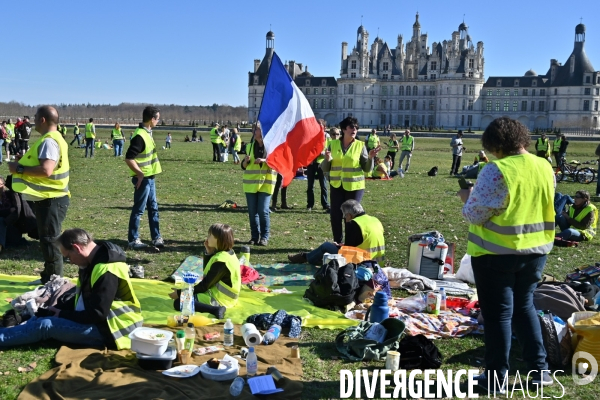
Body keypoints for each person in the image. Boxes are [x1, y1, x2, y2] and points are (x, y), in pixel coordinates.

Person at [458, 117, 555, 391]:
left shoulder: (496, 169)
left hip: (496, 254)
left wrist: (468, 198)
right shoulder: (544, 166)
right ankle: (540, 369)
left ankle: (495, 377)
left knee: (498, 314)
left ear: (495, 145)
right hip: (535, 251)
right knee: (524, 308)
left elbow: (475, 214)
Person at [0, 228, 143, 350]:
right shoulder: (92, 262)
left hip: (113, 332)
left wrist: (62, 314)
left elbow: (97, 313)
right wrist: (56, 310)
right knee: (42, 318)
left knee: (45, 326)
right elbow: (83, 298)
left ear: (77, 248)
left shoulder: (107, 269)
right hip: (102, 324)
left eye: (68, 257)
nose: (71, 262)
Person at [8, 106, 70, 284]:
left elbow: (46, 169)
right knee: (47, 239)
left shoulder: (48, 141)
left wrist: (18, 168)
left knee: (50, 240)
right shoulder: (54, 138)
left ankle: (54, 282)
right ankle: (48, 277)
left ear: (42, 119)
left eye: (35, 117)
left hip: (51, 199)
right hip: (50, 197)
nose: (33, 119)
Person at [320, 116, 378, 243]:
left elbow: (367, 169)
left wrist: (370, 158)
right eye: (351, 127)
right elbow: (325, 168)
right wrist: (327, 159)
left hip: (355, 187)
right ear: (344, 129)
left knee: (351, 216)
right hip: (336, 185)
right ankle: (337, 242)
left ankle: (350, 243)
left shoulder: (360, 145)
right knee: (335, 215)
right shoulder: (332, 144)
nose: (354, 129)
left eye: (356, 127)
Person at [168, 223, 240, 319]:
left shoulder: (221, 261)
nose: (207, 238)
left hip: (219, 299)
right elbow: (207, 274)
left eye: (210, 235)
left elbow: (204, 286)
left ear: (218, 239)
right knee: (187, 297)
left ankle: (215, 310)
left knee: (179, 303)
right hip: (218, 295)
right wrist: (209, 252)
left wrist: (180, 293)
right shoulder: (227, 253)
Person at [287, 200, 385, 264]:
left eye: (344, 216)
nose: (344, 219)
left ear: (349, 215)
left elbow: (349, 249)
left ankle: (305, 257)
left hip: (361, 262)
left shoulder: (354, 224)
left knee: (326, 246)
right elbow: (362, 241)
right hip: (377, 263)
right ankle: (308, 257)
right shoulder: (374, 219)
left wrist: (338, 246)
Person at [124, 106, 164, 249]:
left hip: (150, 178)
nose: (158, 121)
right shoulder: (140, 135)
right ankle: (133, 239)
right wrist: (139, 174)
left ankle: (156, 237)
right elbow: (129, 158)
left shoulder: (147, 132)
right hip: (144, 179)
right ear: (152, 119)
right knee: (139, 209)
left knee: (153, 208)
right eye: (157, 118)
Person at [241, 122, 276, 246]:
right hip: (251, 184)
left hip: (266, 183)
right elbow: (243, 166)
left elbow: (277, 163)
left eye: (257, 129)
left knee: (263, 210)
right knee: (252, 212)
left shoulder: (271, 146)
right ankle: (254, 237)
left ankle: (264, 237)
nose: (254, 131)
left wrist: (265, 160)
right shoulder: (249, 146)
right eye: (253, 129)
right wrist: (245, 161)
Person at [306, 123, 331, 213]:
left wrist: (324, 153)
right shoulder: (310, 136)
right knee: (310, 186)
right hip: (311, 163)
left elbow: (330, 149)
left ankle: (325, 204)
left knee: (323, 185)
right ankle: (310, 204)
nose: (319, 127)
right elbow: (306, 148)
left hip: (321, 163)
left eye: (321, 125)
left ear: (325, 127)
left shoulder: (326, 137)